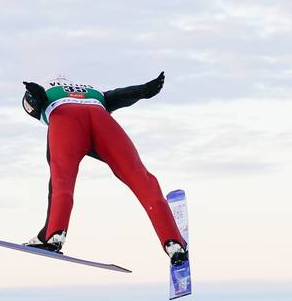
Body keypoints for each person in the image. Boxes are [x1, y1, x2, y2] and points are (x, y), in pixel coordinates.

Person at [20, 73, 188, 266]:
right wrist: (143, 91)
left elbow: (35, 101)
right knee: (140, 177)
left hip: (65, 120)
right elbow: (120, 95)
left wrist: (33, 91)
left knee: (62, 179)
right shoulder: (93, 91)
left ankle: (53, 235)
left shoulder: (50, 90)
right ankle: (173, 243)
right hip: (102, 121)